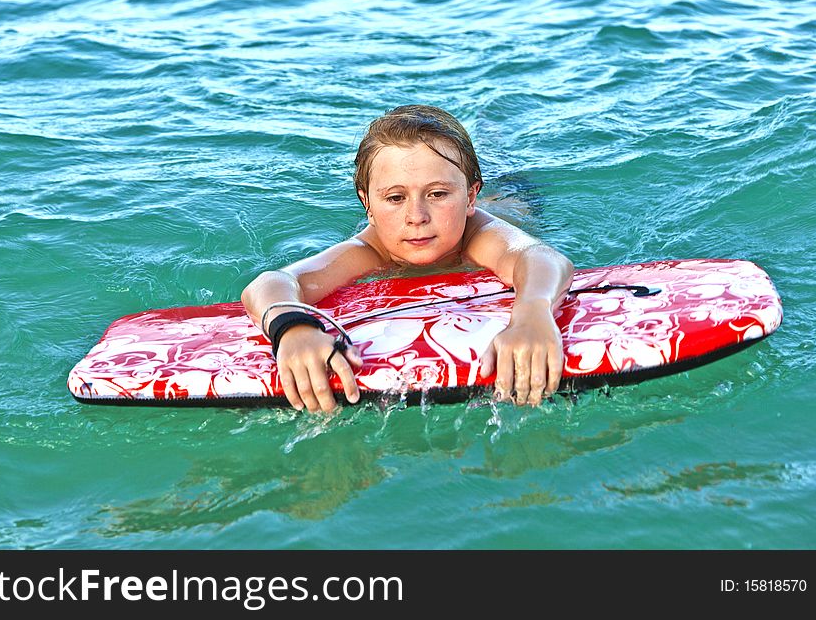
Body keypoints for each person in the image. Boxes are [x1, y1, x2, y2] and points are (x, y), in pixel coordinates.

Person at [241, 105, 574, 413]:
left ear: (470, 197)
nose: (416, 216)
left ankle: (493, 130)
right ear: (368, 204)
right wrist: (294, 328)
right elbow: (272, 284)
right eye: (395, 198)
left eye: (438, 194)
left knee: (505, 177)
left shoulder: (477, 235)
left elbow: (542, 257)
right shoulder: (370, 250)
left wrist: (531, 314)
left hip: (510, 199)